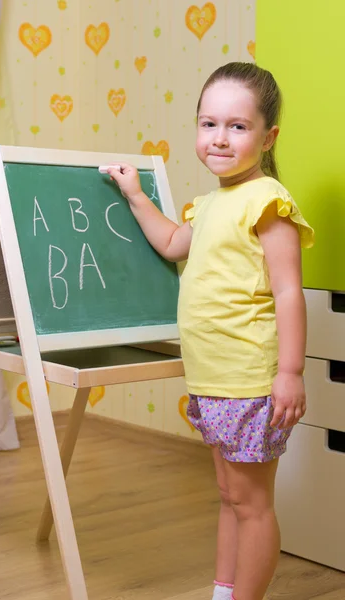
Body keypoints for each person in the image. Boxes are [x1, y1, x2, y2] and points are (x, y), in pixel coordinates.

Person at [108, 62, 314, 600]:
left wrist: (290, 372)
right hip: (213, 380)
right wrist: (135, 196)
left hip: (248, 381)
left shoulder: (268, 202)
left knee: (251, 503)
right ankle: (224, 591)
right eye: (208, 124)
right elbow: (174, 242)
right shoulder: (210, 203)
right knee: (228, 496)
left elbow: (289, 292)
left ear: (268, 137)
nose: (219, 138)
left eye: (237, 127)